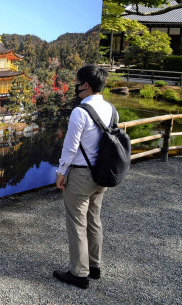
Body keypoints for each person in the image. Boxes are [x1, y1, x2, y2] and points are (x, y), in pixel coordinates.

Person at [53, 65, 114, 289]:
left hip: (80, 174)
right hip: (101, 173)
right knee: (94, 219)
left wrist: (61, 172)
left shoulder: (81, 111)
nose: (76, 86)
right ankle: (94, 266)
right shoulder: (110, 108)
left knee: (77, 223)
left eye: (77, 82)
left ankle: (79, 273)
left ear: (85, 85)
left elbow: (70, 148)